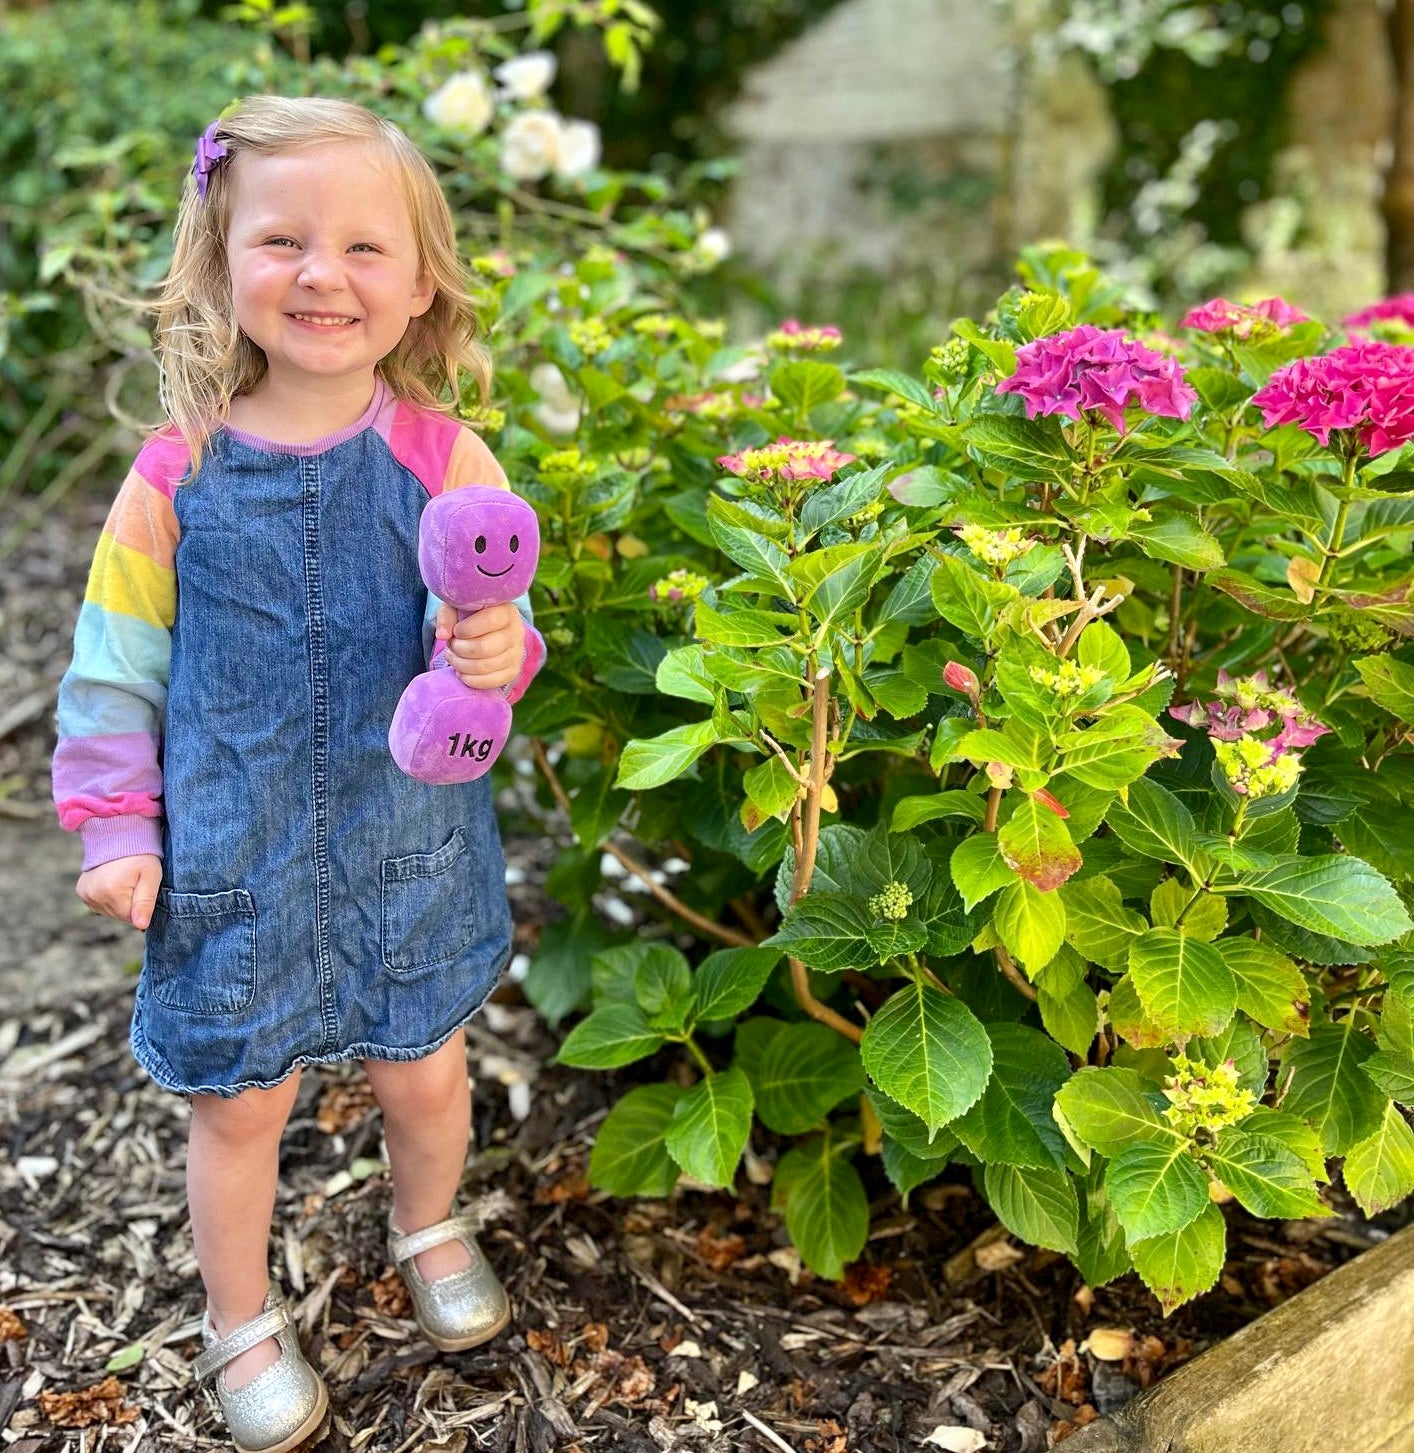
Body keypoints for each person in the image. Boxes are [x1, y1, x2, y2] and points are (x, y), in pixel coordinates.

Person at [51, 95, 545, 1453]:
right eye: (280, 240)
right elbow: (112, 667)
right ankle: (236, 1316)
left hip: (405, 839)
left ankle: (427, 1223)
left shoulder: (445, 458)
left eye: (364, 249)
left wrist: (496, 645)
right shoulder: (178, 475)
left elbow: (486, 646)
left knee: (424, 1070)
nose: (322, 275)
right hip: (237, 847)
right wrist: (112, 826)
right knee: (241, 1099)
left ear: (422, 280)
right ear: (217, 265)